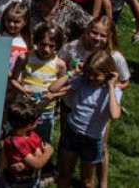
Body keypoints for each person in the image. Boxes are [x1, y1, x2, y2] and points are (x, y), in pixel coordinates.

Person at [49, 51, 123, 188]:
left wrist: (111, 86)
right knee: (65, 175)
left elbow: (115, 115)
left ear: (108, 73)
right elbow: (53, 89)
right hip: (71, 132)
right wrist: (73, 73)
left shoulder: (113, 91)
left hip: (92, 140)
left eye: (96, 75)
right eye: (89, 72)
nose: (91, 77)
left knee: (87, 181)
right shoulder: (81, 81)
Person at [0, 96, 53, 188]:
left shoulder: (31, 135)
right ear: (28, 125)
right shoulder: (16, 142)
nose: (38, 120)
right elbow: (37, 164)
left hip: (31, 180)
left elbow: (37, 153)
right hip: (18, 183)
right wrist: (48, 152)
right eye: (37, 119)